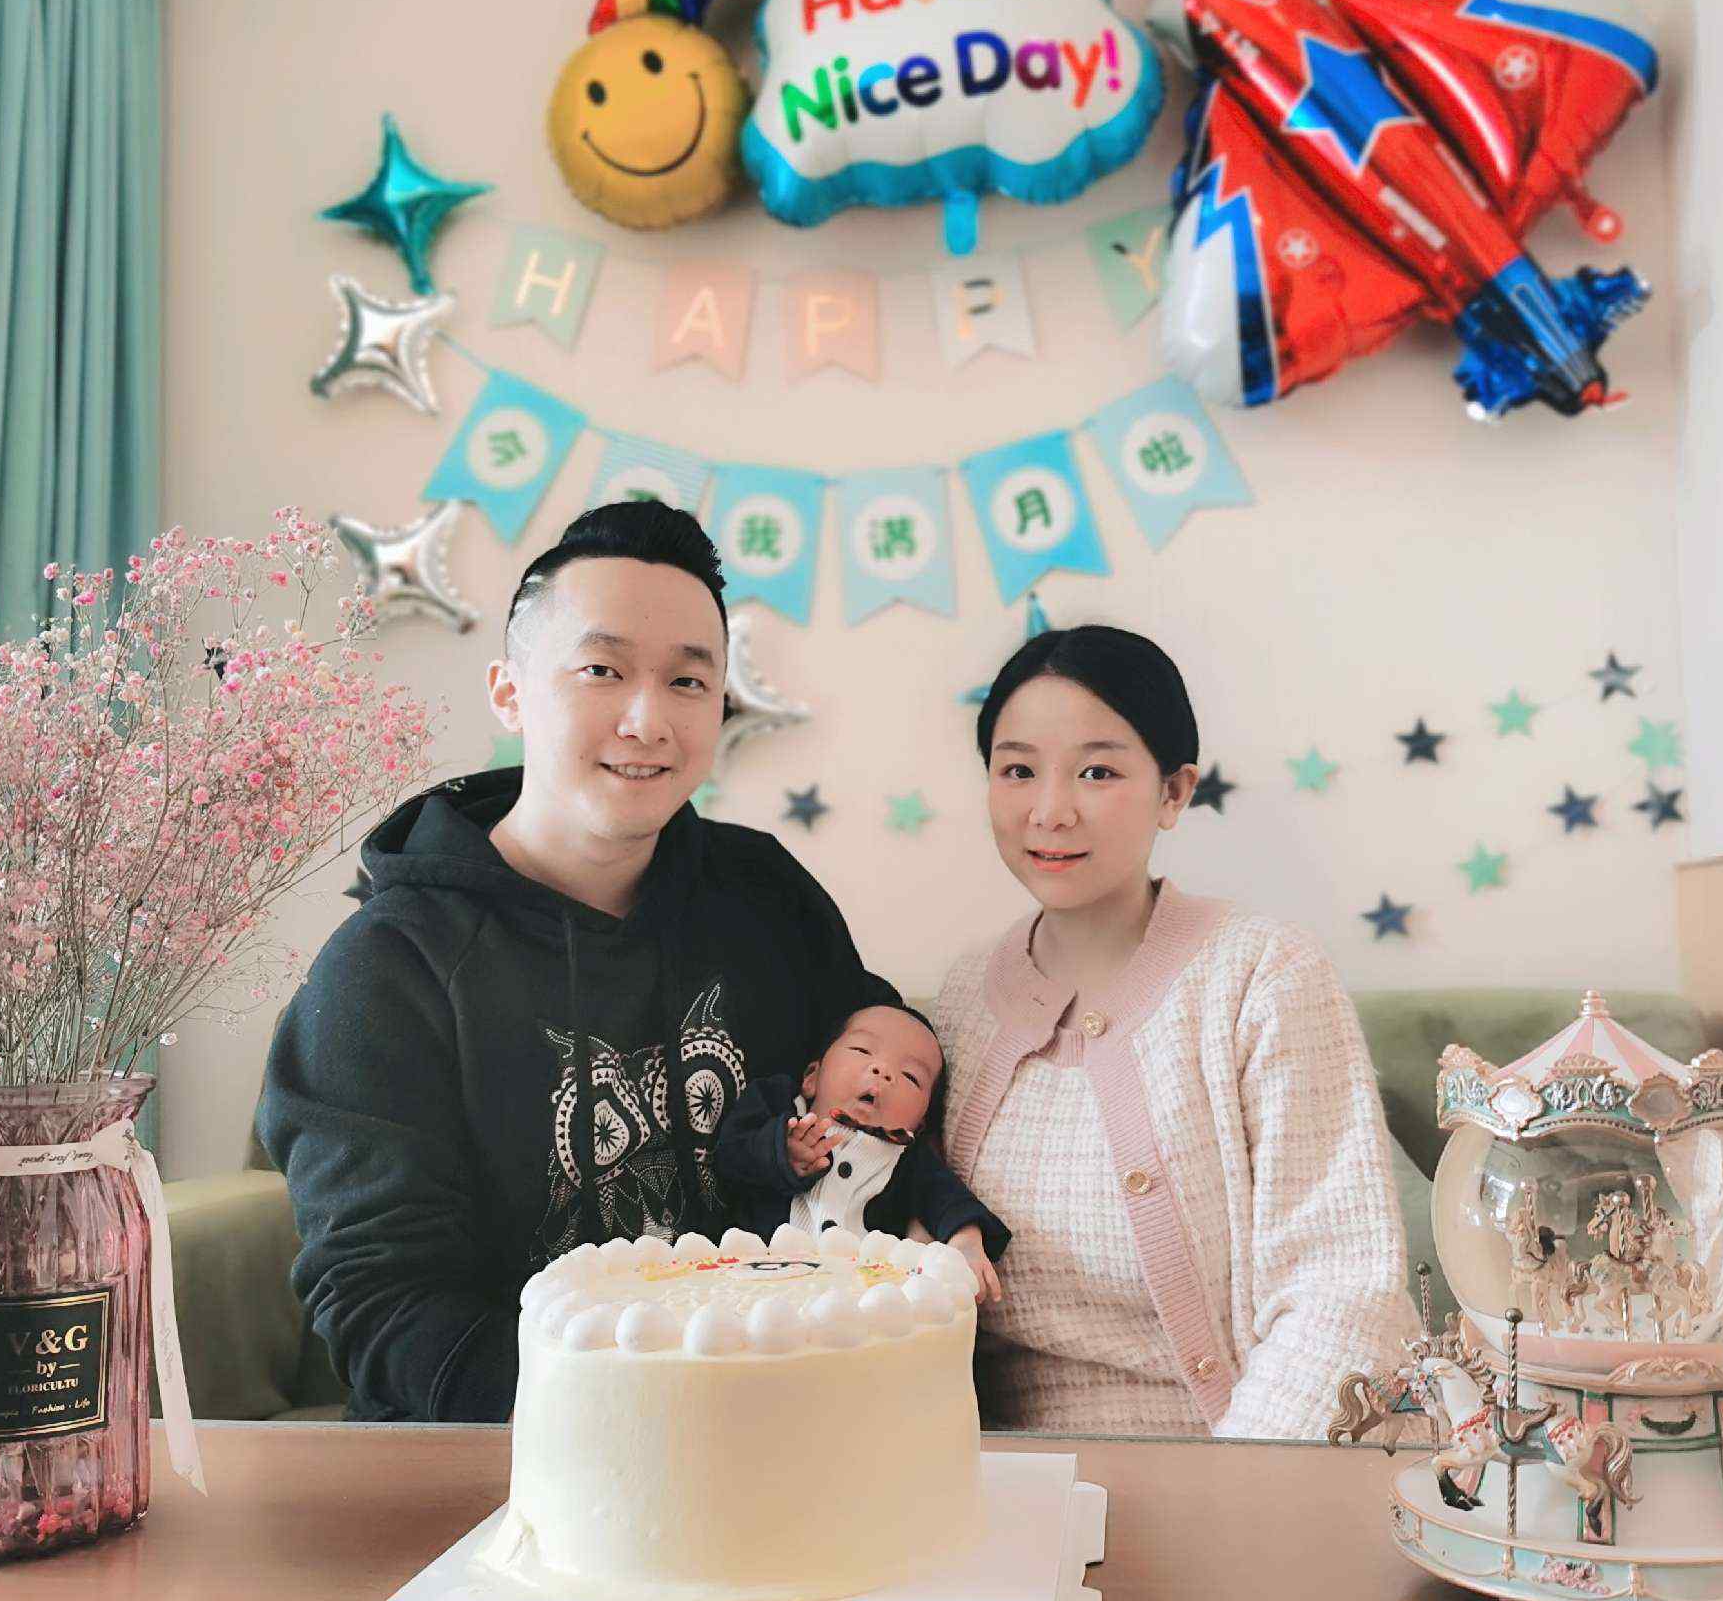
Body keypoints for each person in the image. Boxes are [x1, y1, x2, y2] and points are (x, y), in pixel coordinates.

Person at [257, 502, 896, 1422]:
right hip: (510, 1464)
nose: (648, 720)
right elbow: (384, 1305)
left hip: (786, 1428)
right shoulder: (387, 968)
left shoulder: (766, 897)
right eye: (602, 670)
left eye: (688, 681)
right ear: (509, 691)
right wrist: (643, 1419)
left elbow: (882, 1082)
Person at [932, 625, 1414, 1439]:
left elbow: (1341, 1292)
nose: (1050, 811)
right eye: (1018, 770)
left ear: (1174, 792)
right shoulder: (961, 998)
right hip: (997, 1480)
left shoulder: (1263, 973)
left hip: (1237, 1463)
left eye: (1097, 771)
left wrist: (1233, 1491)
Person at [714, 1002, 1009, 1301]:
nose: (883, 1071)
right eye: (862, 1050)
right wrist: (781, 1152)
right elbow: (730, 1156)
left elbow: (949, 1201)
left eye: (911, 1076)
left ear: (919, 1123)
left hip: (863, 1305)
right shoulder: (778, 1107)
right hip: (761, 1291)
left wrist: (966, 1242)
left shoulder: (907, 1159)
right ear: (812, 1076)